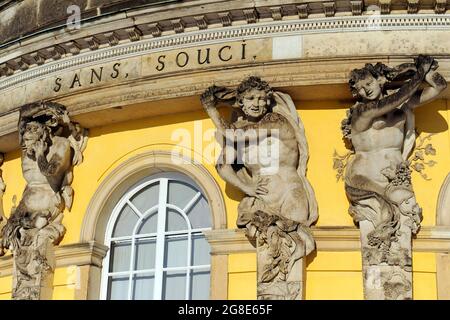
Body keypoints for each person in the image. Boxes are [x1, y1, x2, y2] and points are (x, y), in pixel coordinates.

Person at [342, 55, 447, 254]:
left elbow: (439, 86)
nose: (366, 90)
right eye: (361, 88)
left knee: (403, 233)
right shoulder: (362, 111)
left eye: (369, 83)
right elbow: (397, 98)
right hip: (366, 180)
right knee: (377, 242)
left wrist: (417, 67)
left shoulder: (401, 108)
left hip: (396, 178)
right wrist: (418, 74)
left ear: (380, 80)